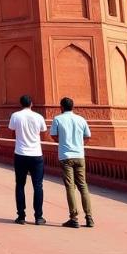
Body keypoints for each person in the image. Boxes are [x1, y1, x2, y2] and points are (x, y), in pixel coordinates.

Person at [50, 97, 95, 228]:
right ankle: (89, 217)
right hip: (80, 156)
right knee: (83, 186)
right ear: (73, 107)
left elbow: (53, 135)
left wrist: (63, 143)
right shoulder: (81, 119)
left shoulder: (58, 119)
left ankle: (74, 218)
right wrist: (80, 145)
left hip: (65, 156)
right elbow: (88, 136)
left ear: (61, 107)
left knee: (70, 187)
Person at [9, 94, 48, 225]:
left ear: (21, 104)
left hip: (20, 153)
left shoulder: (15, 116)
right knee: (38, 186)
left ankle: (21, 216)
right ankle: (39, 217)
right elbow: (43, 132)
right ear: (31, 103)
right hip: (36, 154)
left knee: (20, 185)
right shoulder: (39, 117)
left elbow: (12, 132)